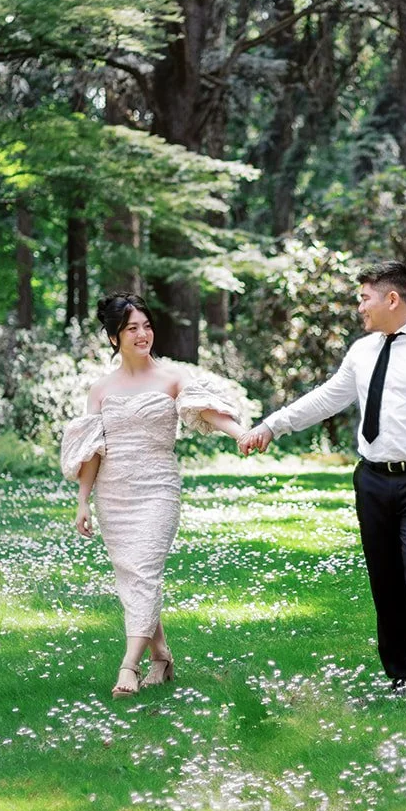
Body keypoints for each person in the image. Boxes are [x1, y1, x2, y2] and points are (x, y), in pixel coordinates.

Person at [239, 261, 406, 708]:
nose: (358, 307)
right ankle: (399, 674)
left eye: (363, 297)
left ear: (392, 299)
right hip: (372, 479)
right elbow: (328, 397)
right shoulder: (364, 351)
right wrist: (272, 425)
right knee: (385, 579)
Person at [61, 293, 245, 698]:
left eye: (146, 325)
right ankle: (160, 656)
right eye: (132, 328)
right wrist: (82, 500)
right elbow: (92, 450)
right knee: (133, 575)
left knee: (144, 570)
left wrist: (240, 434)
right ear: (114, 338)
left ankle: (128, 665)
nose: (143, 334)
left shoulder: (172, 379)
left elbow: (207, 411)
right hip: (114, 492)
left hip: (158, 489)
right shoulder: (100, 390)